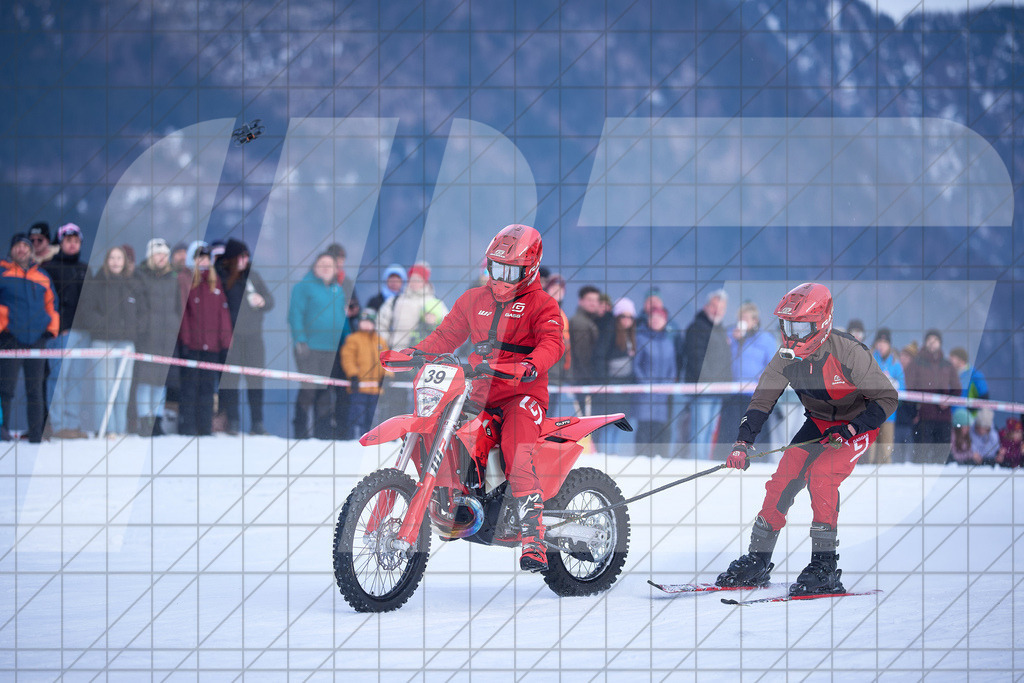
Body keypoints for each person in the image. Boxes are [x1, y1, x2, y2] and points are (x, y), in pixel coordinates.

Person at [716, 283, 898, 596]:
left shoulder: (849, 352)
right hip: (818, 423)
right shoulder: (786, 356)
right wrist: (743, 441)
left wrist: (852, 429)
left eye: (800, 327)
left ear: (821, 323)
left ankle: (825, 565)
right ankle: (758, 560)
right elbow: (762, 399)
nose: (792, 335)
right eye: (787, 326)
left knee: (822, 476)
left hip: (858, 425)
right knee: (783, 477)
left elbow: (887, 398)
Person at [407, 224, 564, 572]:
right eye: (496, 267)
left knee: (516, 450)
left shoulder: (543, 304)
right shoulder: (472, 300)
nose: (500, 278)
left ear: (530, 269)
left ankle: (534, 538)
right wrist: (413, 354)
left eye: (510, 271)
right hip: (477, 395)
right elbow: (445, 337)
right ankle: (449, 499)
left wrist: (530, 365)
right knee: (437, 429)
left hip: (522, 396)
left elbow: (553, 343)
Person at [0, 234, 59, 442]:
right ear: (11, 250)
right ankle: (2, 429)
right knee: (4, 389)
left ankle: (37, 433)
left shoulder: (42, 276)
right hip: (9, 338)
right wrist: (4, 322)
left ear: (31, 251)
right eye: (18, 246)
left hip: (37, 339)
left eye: (26, 246)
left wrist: (50, 330)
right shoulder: (3, 272)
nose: (22, 250)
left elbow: (53, 306)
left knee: (36, 390)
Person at [288, 252, 350, 439]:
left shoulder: (337, 290)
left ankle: (321, 433)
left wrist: (347, 341)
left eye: (329, 265)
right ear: (314, 266)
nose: (325, 267)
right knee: (309, 389)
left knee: (326, 392)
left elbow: (342, 319)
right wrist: (300, 340)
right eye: (321, 264)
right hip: (309, 347)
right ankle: (300, 431)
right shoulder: (303, 287)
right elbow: (295, 315)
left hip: (332, 349)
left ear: (335, 270)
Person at [215, 239, 274, 435]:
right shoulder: (221, 278)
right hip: (232, 339)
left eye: (247, 257)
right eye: (241, 256)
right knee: (231, 382)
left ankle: (257, 422)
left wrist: (262, 301)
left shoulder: (253, 277)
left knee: (255, 382)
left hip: (254, 339)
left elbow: (271, 302)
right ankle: (233, 421)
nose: (244, 260)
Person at [41, 223, 91, 439]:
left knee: (76, 380)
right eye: (68, 240)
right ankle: (58, 424)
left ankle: (72, 424)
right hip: (61, 334)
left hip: (83, 334)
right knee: (58, 380)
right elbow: (47, 302)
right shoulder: (49, 268)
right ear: (60, 242)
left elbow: (92, 302)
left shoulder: (84, 269)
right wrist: (58, 328)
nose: (72, 244)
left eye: (76, 241)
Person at [177, 245, 232, 436]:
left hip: (212, 347)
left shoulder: (215, 283)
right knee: (190, 387)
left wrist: (226, 343)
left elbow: (223, 315)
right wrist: (185, 341)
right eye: (199, 257)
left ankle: (205, 427)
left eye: (206, 258)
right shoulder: (186, 282)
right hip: (193, 346)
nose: (203, 261)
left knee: (208, 389)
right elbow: (184, 315)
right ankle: (188, 426)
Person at [715, 301, 778, 459]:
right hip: (733, 393)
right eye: (740, 318)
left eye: (745, 318)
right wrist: (733, 341)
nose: (741, 321)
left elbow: (774, 364)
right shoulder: (732, 335)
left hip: (755, 395)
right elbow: (721, 357)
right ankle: (727, 457)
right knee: (730, 428)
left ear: (755, 320)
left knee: (754, 428)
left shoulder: (765, 339)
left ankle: (759, 460)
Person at [135, 238, 180, 436]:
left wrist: (174, 327)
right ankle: (144, 420)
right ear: (150, 256)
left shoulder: (173, 278)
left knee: (160, 382)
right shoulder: (140, 275)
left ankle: (157, 419)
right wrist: (143, 327)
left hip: (167, 337)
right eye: (158, 254)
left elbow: (179, 307)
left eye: (164, 254)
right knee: (145, 381)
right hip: (147, 336)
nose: (162, 258)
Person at [682, 290, 732, 458]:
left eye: (721, 308)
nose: (717, 311)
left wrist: (725, 384)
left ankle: (704, 462)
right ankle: (697, 463)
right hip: (703, 388)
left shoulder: (720, 330)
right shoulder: (697, 328)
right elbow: (696, 359)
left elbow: (725, 360)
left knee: (710, 431)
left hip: (719, 390)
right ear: (706, 306)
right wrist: (709, 381)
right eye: (714, 306)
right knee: (700, 429)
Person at [905, 330, 961, 463]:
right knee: (921, 456)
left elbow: (957, 388)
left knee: (941, 457)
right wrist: (914, 411)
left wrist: (948, 401)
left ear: (940, 343)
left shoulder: (947, 364)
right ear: (925, 343)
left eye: (935, 340)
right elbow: (909, 387)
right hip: (923, 416)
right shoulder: (917, 363)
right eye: (929, 340)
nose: (932, 343)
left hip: (944, 417)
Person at [633, 306, 676, 457]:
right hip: (645, 393)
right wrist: (644, 385)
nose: (657, 321)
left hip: (661, 395)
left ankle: (656, 458)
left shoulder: (668, 342)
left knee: (658, 428)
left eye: (660, 318)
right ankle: (640, 457)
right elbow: (636, 364)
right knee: (644, 427)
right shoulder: (641, 338)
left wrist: (667, 386)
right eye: (654, 317)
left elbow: (672, 368)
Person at [340, 309, 389, 439]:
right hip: (359, 388)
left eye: (369, 322)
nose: (366, 325)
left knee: (372, 417)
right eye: (364, 322)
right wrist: (353, 375)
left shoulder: (380, 341)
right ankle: (353, 439)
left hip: (376, 389)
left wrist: (387, 376)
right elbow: (347, 358)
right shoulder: (353, 339)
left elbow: (386, 360)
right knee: (357, 415)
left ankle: (370, 439)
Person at [865, 328, 904, 465]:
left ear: (889, 344)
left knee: (886, 449)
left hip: (889, 414)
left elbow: (903, 387)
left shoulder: (895, 363)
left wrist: (894, 384)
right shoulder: (868, 358)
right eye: (879, 342)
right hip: (870, 410)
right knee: (870, 448)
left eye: (884, 342)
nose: (881, 345)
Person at [605, 297, 638, 456]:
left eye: (630, 316)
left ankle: (615, 452)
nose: (627, 320)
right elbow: (601, 356)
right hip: (612, 384)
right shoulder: (610, 331)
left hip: (625, 384)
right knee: (610, 421)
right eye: (623, 316)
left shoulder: (630, 335)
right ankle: (606, 452)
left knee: (621, 419)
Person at [569, 285, 602, 418]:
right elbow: (582, 355)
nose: (593, 303)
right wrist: (590, 377)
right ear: (581, 301)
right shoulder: (580, 323)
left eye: (596, 300)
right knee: (584, 417)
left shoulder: (590, 321)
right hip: (582, 379)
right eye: (590, 300)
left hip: (582, 379)